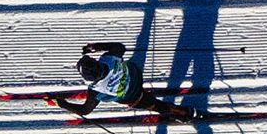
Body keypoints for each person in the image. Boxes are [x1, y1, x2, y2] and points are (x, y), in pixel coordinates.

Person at [53, 42, 195, 121]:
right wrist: (96, 47)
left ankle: (182, 114)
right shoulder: (108, 58)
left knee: (154, 105)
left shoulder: (96, 90)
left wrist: (61, 103)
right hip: (136, 76)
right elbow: (120, 47)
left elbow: (85, 110)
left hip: (135, 96)